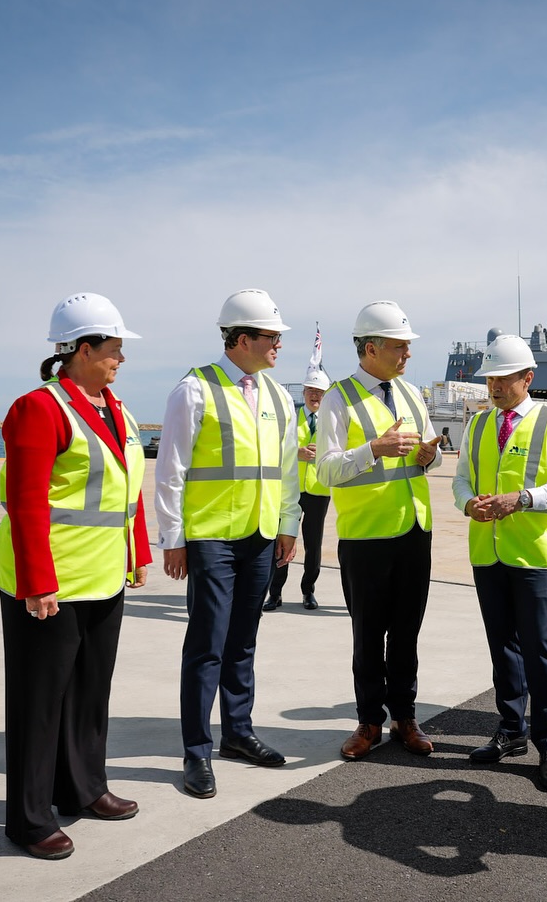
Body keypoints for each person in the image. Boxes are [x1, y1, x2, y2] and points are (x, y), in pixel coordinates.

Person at [0, 292, 152, 860]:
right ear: (82, 350)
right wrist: (36, 582)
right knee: (39, 703)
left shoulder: (118, 409)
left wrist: (136, 553)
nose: (120, 359)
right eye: (113, 349)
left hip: (103, 575)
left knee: (89, 693)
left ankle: (83, 788)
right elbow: (27, 501)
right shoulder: (38, 408)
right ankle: (29, 819)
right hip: (50, 583)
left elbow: (127, 490)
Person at [155, 289, 300, 800]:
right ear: (243, 339)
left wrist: (288, 524)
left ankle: (238, 733)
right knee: (207, 643)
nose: (279, 345)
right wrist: (173, 538)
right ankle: (197, 749)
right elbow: (170, 471)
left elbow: (286, 470)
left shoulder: (279, 396)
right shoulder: (194, 389)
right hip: (211, 536)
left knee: (243, 641)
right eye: (271, 337)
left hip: (260, 537)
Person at [314, 301, 441, 761]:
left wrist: (430, 455)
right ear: (371, 348)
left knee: (407, 632)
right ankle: (368, 721)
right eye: (400, 347)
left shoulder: (409, 394)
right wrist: (373, 448)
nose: (407, 354)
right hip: (366, 537)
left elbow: (429, 450)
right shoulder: (338, 398)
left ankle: (404, 717)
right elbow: (326, 471)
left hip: (413, 530)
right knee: (368, 635)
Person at [452, 335, 547, 791]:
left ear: (529, 378)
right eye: (490, 377)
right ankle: (510, 731)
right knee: (502, 645)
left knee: (540, 649)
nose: (495, 385)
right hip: (489, 552)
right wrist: (469, 505)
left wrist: (521, 499)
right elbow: (461, 480)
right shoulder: (480, 425)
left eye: (504, 377)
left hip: (534, 554)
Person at [265, 367, 331, 612]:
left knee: (313, 545)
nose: (315, 396)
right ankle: (275, 592)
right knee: (281, 541)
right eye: (311, 391)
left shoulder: (330, 421)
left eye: (320, 392)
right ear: (303, 393)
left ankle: (308, 591)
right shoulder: (291, 418)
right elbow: (276, 449)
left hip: (318, 490)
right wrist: (298, 454)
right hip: (291, 489)